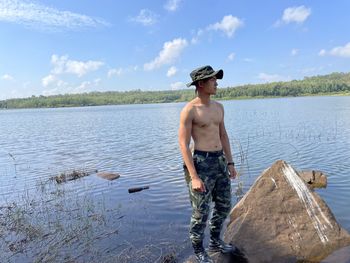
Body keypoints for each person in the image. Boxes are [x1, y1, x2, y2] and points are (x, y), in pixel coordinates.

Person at [178, 65, 237, 263]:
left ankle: (215, 242)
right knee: (200, 212)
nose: (216, 82)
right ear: (201, 84)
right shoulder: (189, 110)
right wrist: (194, 176)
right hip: (201, 164)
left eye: (216, 79)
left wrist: (230, 163)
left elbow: (223, 135)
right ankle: (198, 250)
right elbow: (184, 145)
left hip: (220, 161)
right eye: (212, 79)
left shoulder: (219, 107)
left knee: (223, 205)